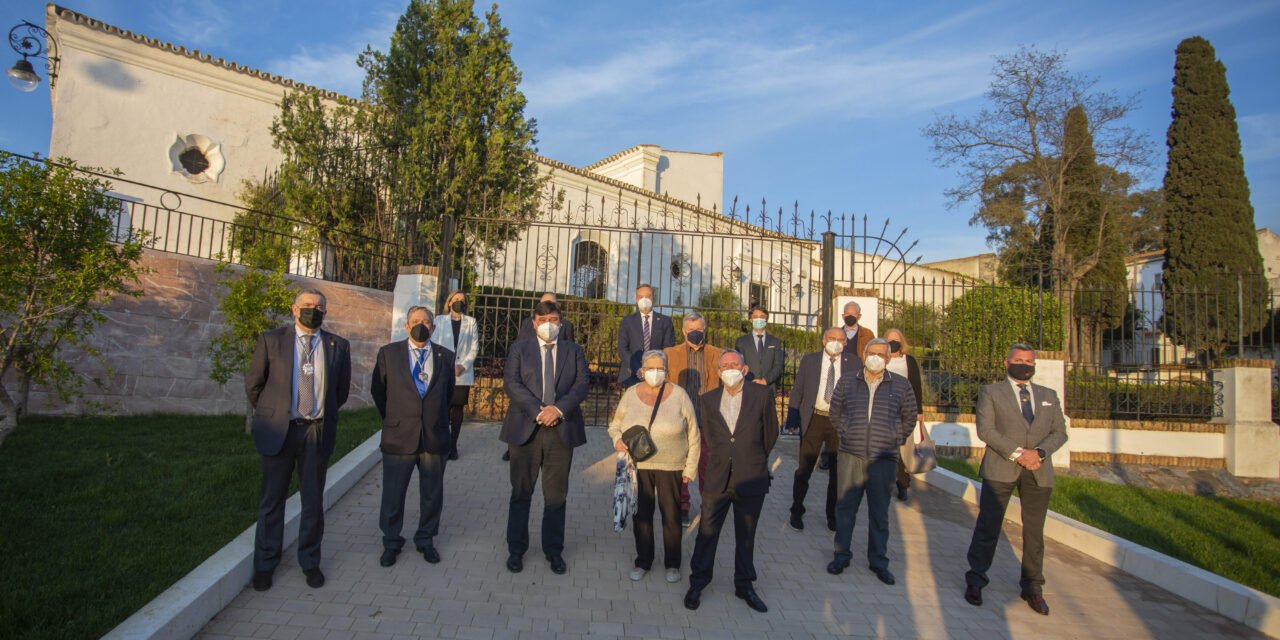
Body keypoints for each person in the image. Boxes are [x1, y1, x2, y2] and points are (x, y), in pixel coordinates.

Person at [244, 289, 352, 592]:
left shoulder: (338, 346)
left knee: (313, 501)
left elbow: (339, 393)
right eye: (307, 305)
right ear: (294, 309)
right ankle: (265, 564)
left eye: (319, 307)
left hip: (315, 431)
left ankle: (310, 561)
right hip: (279, 430)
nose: (312, 310)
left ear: (325, 313)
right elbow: (254, 385)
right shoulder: (271, 340)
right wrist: (273, 412)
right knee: (272, 501)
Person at [964, 343, 1067, 616]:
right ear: (1006, 362)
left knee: (1034, 532)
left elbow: (1060, 432)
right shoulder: (992, 392)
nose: (1026, 365)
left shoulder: (1048, 395)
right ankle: (976, 579)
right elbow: (986, 430)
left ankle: (1032, 587)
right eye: (1020, 360)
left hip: (1038, 469)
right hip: (1002, 467)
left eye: (1030, 361)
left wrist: (1040, 454)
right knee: (989, 525)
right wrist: (1019, 453)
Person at [684, 350, 779, 614]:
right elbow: (712, 439)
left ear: (745, 369)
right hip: (718, 476)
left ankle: (745, 585)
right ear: (718, 371)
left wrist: (751, 456)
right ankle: (698, 582)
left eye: (734, 364)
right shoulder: (708, 400)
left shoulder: (762, 396)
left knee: (746, 534)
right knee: (707, 532)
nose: (729, 368)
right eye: (724, 365)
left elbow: (770, 433)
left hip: (751, 475)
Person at [500, 300, 589, 575]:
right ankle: (516, 549)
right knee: (521, 492)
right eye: (544, 319)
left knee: (556, 496)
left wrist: (558, 410)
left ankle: (554, 550)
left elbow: (582, 384)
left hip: (560, 431)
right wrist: (537, 411)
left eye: (554, 319)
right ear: (534, 323)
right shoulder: (519, 349)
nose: (549, 324)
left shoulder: (573, 350)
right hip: (526, 430)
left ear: (560, 323)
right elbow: (511, 383)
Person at [827, 338, 917, 586]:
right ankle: (841, 555)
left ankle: (878, 560)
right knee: (845, 509)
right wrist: (846, 432)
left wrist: (894, 436)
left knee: (879, 513)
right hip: (850, 454)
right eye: (871, 352)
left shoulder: (900, 385)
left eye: (881, 353)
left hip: (883, 458)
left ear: (888, 359)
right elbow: (835, 412)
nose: (875, 357)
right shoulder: (847, 381)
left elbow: (909, 416)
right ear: (864, 354)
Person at [371, 306, 456, 567]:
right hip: (400, 435)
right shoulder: (389, 353)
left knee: (432, 493)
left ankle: (426, 539)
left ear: (433, 327)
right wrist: (396, 418)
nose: (421, 325)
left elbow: (448, 395)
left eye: (426, 321)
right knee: (394, 493)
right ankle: (392, 541)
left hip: (434, 436)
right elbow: (379, 391)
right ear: (406, 326)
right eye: (415, 321)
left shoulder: (445, 356)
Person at [608, 350, 701, 584]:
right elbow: (615, 425)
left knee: (671, 516)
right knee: (642, 515)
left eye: (660, 368)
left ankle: (672, 563)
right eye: (650, 368)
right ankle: (643, 560)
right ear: (642, 370)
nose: (655, 372)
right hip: (638, 466)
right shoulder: (630, 394)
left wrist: (690, 468)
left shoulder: (679, 395)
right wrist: (616, 440)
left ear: (667, 371)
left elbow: (694, 433)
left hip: (671, 466)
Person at [785, 327, 857, 533]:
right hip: (814, 418)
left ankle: (832, 514)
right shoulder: (810, 360)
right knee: (804, 468)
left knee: (837, 472)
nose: (836, 342)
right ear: (823, 341)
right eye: (832, 338)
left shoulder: (853, 363)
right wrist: (792, 416)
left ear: (845, 343)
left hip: (839, 422)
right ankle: (796, 509)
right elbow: (798, 389)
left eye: (840, 339)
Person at [665, 312, 722, 528]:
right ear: (683, 331)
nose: (695, 333)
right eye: (691, 330)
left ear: (705, 329)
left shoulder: (717, 354)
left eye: (699, 329)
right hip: (680, 420)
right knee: (680, 466)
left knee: (708, 466)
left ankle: (710, 507)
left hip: (707, 420)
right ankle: (682, 506)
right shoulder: (670, 354)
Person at [431, 290, 478, 460]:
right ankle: (441, 444)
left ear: (465, 304)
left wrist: (462, 366)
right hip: (444, 371)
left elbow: (474, 348)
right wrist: (447, 365)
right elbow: (434, 344)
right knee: (443, 408)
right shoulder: (439, 320)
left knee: (457, 410)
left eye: (462, 300)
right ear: (449, 302)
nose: (459, 302)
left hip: (462, 374)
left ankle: (453, 446)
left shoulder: (471, 322)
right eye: (456, 299)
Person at [883, 328, 924, 503]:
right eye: (890, 339)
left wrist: (919, 411)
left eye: (896, 339)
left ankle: (903, 484)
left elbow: (916, 386)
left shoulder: (909, 361)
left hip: (904, 410)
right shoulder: (881, 359)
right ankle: (888, 480)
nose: (893, 343)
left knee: (903, 448)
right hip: (884, 409)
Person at [617, 284, 676, 387]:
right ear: (636, 299)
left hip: (657, 375)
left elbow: (668, 349)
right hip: (631, 374)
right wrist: (638, 369)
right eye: (640, 297)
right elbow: (622, 349)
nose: (644, 300)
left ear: (654, 298)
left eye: (648, 296)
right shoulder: (627, 321)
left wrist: (655, 368)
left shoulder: (665, 321)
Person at [735, 306, 784, 389]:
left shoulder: (775, 342)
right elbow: (738, 364)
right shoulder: (741, 342)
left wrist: (765, 381)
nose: (759, 319)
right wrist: (751, 381)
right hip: (747, 386)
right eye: (755, 317)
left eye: (762, 317)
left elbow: (778, 366)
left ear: (766, 319)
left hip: (769, 387)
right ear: (751, 319)